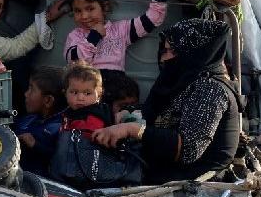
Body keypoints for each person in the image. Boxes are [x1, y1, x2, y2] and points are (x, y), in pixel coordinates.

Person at [93, 19, 241, 182]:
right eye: (164, 50)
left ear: (192, 53)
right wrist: (129, 112)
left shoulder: (211, 89)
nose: (164, 59)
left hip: (193, 187)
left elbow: (188, 150)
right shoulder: (188, 82)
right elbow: (162, 111)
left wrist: (132, 129)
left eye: (172, 51)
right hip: (165, 174)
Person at [62, 0, 169, 72]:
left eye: (90, 9)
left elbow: (151, 20)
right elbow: (75, 62)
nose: (84, 16)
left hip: (116, 84)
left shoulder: (120, 30)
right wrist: (94, 37)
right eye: (78, 11)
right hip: (88, 87)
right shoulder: (75, 36)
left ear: (105, 6)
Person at [13, 66, 65, 175]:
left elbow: (57, 158)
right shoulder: (30, 118)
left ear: (48, 100)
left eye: (31, 89)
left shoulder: (57, 129)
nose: (26, 94)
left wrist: (35, 145)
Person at [61, 63, 111, 140]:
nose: (80, 98)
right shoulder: (69, 111)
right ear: (65, 93)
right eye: (74, 92)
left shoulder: (92, 119)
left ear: (99, 94)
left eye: (87, 93)